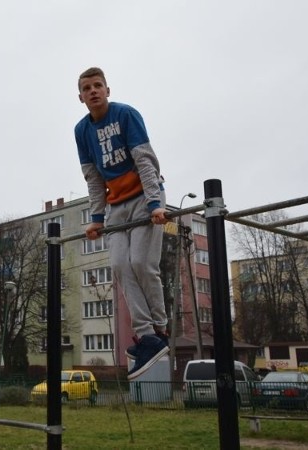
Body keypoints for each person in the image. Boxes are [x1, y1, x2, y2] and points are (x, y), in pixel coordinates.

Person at [74, 67, 169, 380]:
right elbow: (93, 177)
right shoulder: (81, 131)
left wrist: (156, 204)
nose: (93, 91)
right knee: (119, 265)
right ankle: (147, 336)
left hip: (144, 196)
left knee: (141, 261)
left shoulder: (126, 115)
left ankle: (160, 327)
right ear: (81, 97)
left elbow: (145, 159)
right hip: (116, 206)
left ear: (107, 90)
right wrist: (97, 217)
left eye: (98, 86)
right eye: (87, 88)